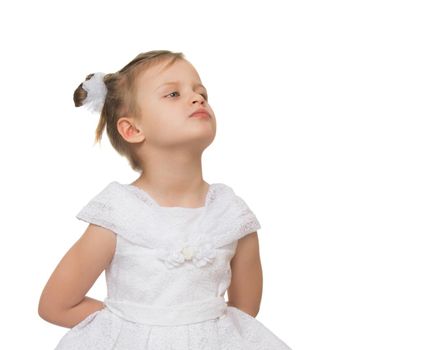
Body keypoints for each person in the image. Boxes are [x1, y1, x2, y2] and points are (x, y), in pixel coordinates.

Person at [38, 50, 292, 349]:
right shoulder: (120, 213)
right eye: (173, 93)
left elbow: (244, 312)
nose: (198, 98)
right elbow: (56, 305)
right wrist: (136, 327)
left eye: (201, 92)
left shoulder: (231, 215)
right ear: (132, 129)